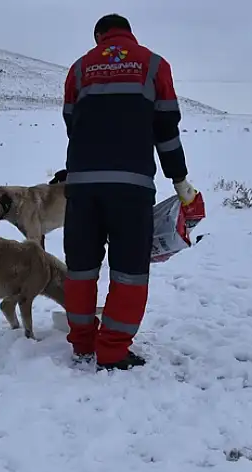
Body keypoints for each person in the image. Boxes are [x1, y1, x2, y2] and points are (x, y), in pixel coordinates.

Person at [61, 13, 201, 371]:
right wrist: (180, 180)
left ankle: (81, 344)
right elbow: (166, 130)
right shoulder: (154, 65)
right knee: (129, 271)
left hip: (82, 186)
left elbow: (71, 125)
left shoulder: (79, 69)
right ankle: (113, 350)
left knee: (80, 268)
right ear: (129, 35)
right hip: (132, 187)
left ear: (99, 37)